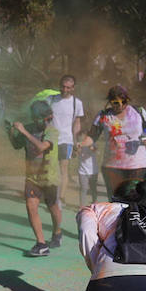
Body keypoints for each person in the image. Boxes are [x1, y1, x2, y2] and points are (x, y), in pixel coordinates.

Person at [7, 101, 63, 256]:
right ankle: (41, 243)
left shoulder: (52, 131)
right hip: (32, 177)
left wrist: (23, 131)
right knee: (31, 207)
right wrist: (10, 132)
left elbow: (41, 147)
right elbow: (17, 145)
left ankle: (57, 232)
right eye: (43, 119)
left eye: (48, 118)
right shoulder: (30, 128)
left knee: (52, 206)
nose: (46, 122)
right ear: (36, 118)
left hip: (49, 176)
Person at [76, 85, 146, 197]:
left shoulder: (139, 111)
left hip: (137, 165)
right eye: (116, 102)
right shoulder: (103, 116)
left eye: (124, 101)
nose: (121, 105)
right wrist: (81, 144)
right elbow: (92, 136)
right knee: (116, 201)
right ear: (110, 102)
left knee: (136, 200)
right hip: (112, 166)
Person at [48, 75, 84, 208]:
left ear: (73, 88)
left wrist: (76, 142)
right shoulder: (51, 99)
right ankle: (51, 196)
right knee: (51, 168)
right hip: (50, 139)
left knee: (63, 169)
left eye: (68, 87)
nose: (65, 89)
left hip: (66, 140)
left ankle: (61, 198)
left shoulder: (77, 103)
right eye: (63, 86)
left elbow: (77, 123)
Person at [77, 142, 98, 207]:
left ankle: (95, 203)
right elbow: (75, 154)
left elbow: (96, 151)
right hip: (82, 171)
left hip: (93, 171)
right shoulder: (79, 143)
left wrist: (92, 148)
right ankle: (82, 206)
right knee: (83, 188)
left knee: (93, 188)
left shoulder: (92, 142)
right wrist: (78, 149)